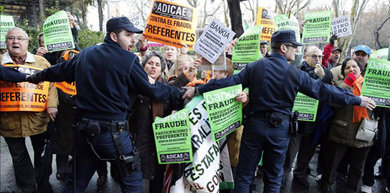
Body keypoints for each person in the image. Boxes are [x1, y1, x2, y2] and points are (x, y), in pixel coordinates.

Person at [183, 30, 376, 193]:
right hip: (279, 130)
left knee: (245, 175)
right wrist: (357, 99)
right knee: (274, 178)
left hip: (254, 127)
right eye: (294, 47)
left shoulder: (255, 66)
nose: (296, 51)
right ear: (283, 48)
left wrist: (198, 88)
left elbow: (228, 83)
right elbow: (324, 91)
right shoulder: (294, 73)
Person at [23, 17, 188, 193]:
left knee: (75, 184)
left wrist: (33, 77)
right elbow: (152, 89)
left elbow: (58, 71)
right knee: (132, 183)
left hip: (84, 132)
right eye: (128, 35)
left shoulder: (86, 54)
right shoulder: (128, 59)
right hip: (114, 135)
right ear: (114, 36)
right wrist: (178, 93)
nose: (133, 40)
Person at [0, 27, 58, 193]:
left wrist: (52, 104)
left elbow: (52, 85)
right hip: (8, 120)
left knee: (42, 152)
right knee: (18, 156)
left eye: (20, 38)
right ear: (6, 42)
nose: (15, 41)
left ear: (27, 42)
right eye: (11, 38)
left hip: (38, 118)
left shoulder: (42, 63)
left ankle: (43, 182)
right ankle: (28, 187)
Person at [318, 58, 376, 193]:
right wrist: (347, 84)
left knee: (357, 168)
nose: (351, 69)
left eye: (354, 66)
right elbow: (334, 103)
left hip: (363, 133)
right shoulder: (338, 85)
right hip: (341, 130)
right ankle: (325, 186)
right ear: (343, 72)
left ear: (360, 69)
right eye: (347, 68)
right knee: (331, 164)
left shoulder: (370, 85)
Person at [129, 50, 180, 192]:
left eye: (157, 64)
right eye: (150, 63)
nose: (153, 67)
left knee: (157, 179)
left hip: (160, 142)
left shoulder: (168, 89)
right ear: (143, 67)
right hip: (139, 141)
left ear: (161, 69)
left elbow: (177, 100)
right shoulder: (135, 87)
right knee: (135, 179)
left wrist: (175, 110)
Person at [283, 45, 333, 188]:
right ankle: (283, 178)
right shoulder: (296, 71)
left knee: (307, 152)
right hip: (297, 121)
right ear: (305, 57)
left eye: (320, 56)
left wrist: (323, 77)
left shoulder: (326, 73)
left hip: (314, 122)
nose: (318, 59)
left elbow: (329, 91)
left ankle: (300, 174)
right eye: (314, 56)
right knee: (290, 153)